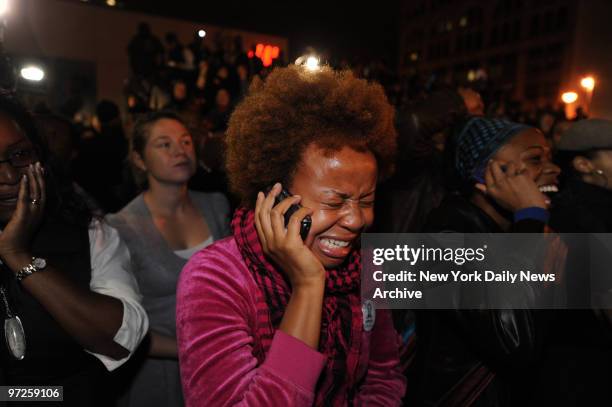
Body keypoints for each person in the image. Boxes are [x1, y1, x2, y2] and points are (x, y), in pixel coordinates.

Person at [176, 66, 406, 406]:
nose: (357, 220)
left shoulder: (368, 269)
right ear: (276, 195)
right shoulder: (215, 277)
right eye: (335, 201)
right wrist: (309, 286)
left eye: (367, 200)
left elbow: (383, 377)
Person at [0, 93, 148, 404]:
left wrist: (19, 257)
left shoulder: (88, 231)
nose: (9, 176)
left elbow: (122, 339)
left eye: (19, 154)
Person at [412, 117, 561, 406]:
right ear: (485, 173)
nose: (554, 169)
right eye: (535, 159)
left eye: (550, 158)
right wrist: (529, 219)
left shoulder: (527, 232)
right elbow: (514, 340)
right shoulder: (446, 237)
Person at [107, 111, 231, 407]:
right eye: (164, 144)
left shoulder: (217, 205)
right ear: (139, 159)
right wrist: (191, 349)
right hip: (158, 371)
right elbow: (115, 325)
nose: (180, 151)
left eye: (186, 141)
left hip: (220, 363)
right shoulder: (120, 227)